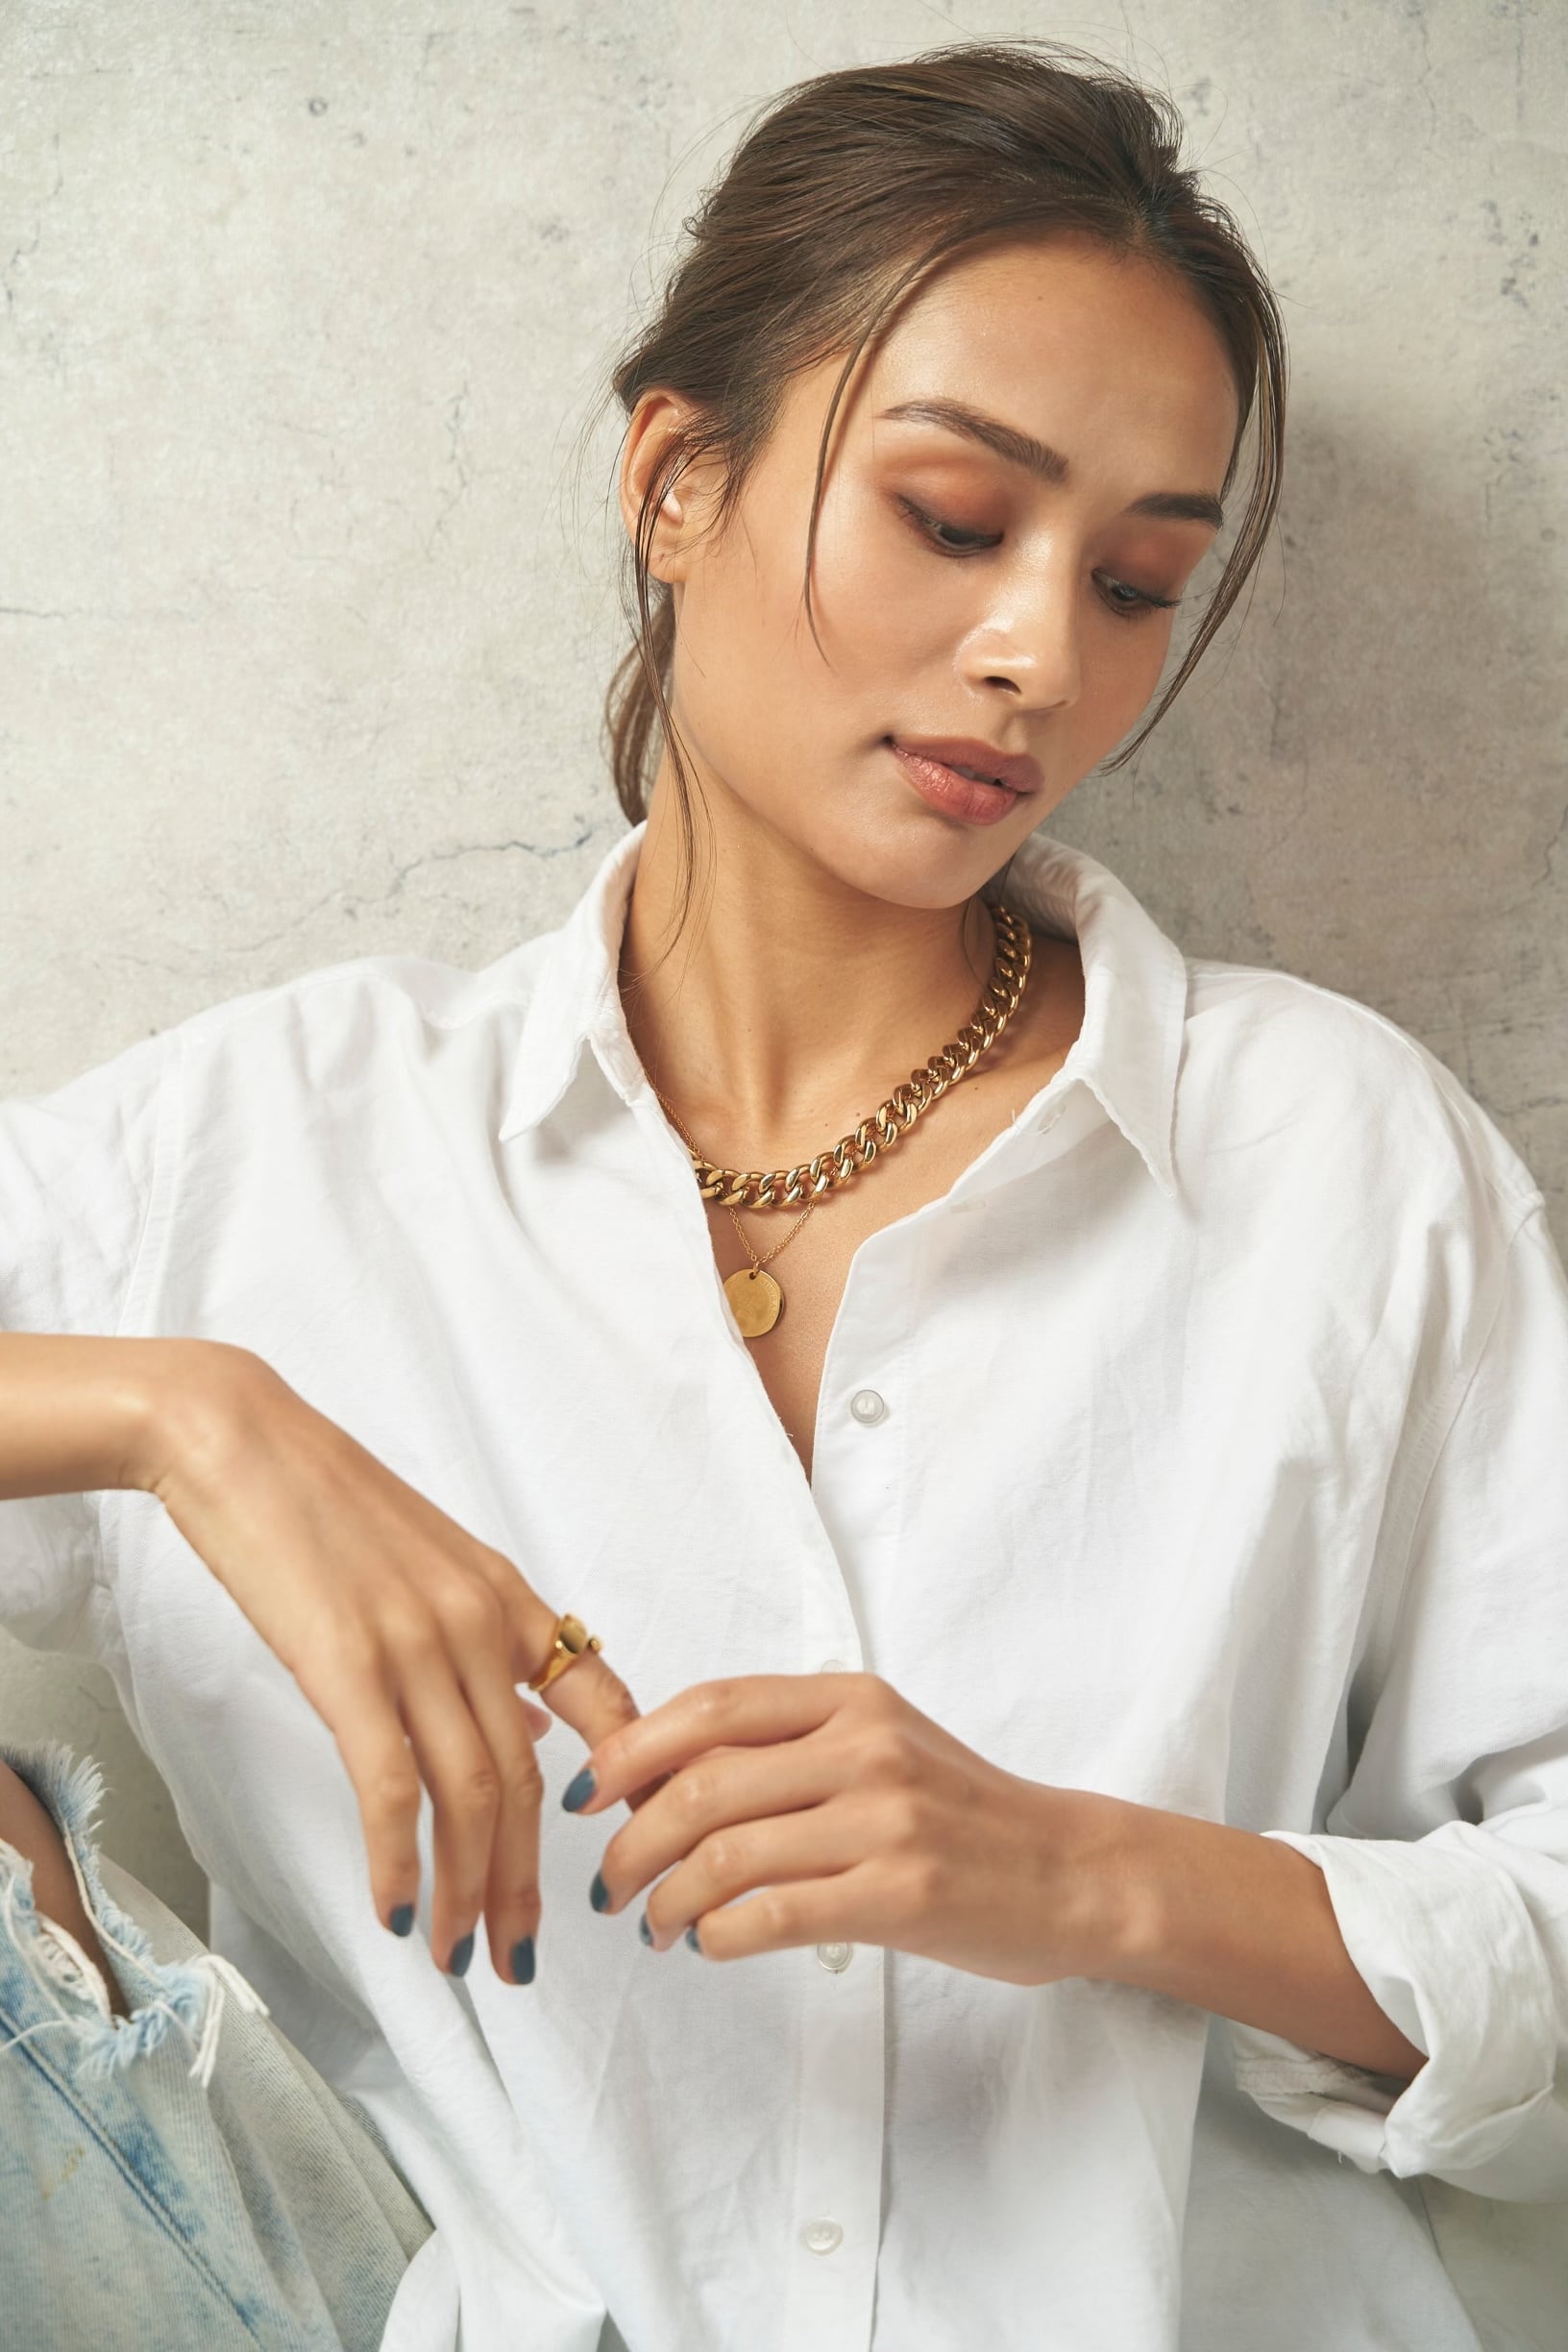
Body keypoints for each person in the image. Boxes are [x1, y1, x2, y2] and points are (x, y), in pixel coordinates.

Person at [2, 34, 1565, 2352]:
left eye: (1139, 581)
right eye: (955, 518)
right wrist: (178, 1415)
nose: (1042, 654)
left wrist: (1082, 1873)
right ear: (676, 481)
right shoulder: (253, 1159)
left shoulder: (1338, 1165)